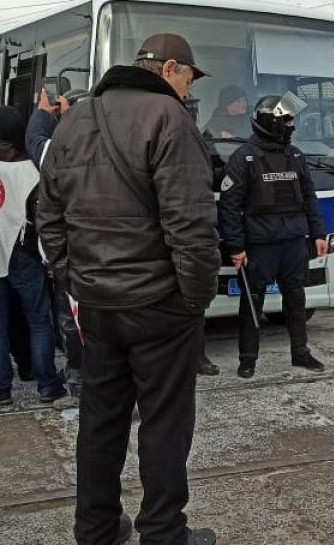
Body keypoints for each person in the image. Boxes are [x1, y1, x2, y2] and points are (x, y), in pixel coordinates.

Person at [37, 33, 221, 545]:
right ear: (169, 69)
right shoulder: (170, 119)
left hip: (96, 302)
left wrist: (72, 276)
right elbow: (191, 224)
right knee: (164, 420)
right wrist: (195, 297)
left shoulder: (74, 119)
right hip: (159, 302)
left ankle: (95, 529)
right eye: (188, 76)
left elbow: (47, 212)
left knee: (101, 418)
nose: (188, 89)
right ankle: (163, 531)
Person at [218, 93, 328, 379]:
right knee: (252, 303)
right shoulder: (244, 158)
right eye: (288, 120)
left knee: (296, 299)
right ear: (273, 123)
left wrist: (318, 233)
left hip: (293, 242)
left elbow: (309, 198)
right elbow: (229, 208)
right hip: (260, 245)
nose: (293, 125)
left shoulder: (295, 156)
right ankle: (248, 359)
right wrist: (236, 247)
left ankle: (300, 353)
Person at [0, 105, 66, 407]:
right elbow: (43, 220)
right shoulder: (34, 171)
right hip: (25, 254)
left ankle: (2, 390)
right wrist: (51, 258)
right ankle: (48, 386)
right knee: (39, 321)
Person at [26, 89, 85, 407]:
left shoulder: (60, 149)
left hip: (76, 258)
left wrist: (42, 112)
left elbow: (35, 139)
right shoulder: (121, 144)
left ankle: (82, 389)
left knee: (72, 322)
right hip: (113, 254)